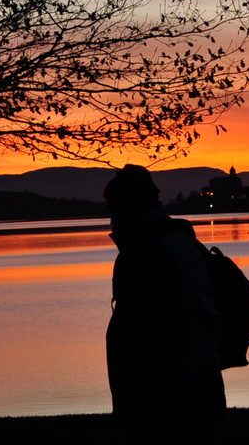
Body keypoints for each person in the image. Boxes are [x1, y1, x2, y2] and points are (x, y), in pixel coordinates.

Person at [103, 164, 225, 424]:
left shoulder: (175, 245)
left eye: (116, 208)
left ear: (133, 204)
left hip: (179, 396)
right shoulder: (137, 248)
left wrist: (196, 382)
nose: (112, 219)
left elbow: (203, 315)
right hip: (144, 394)